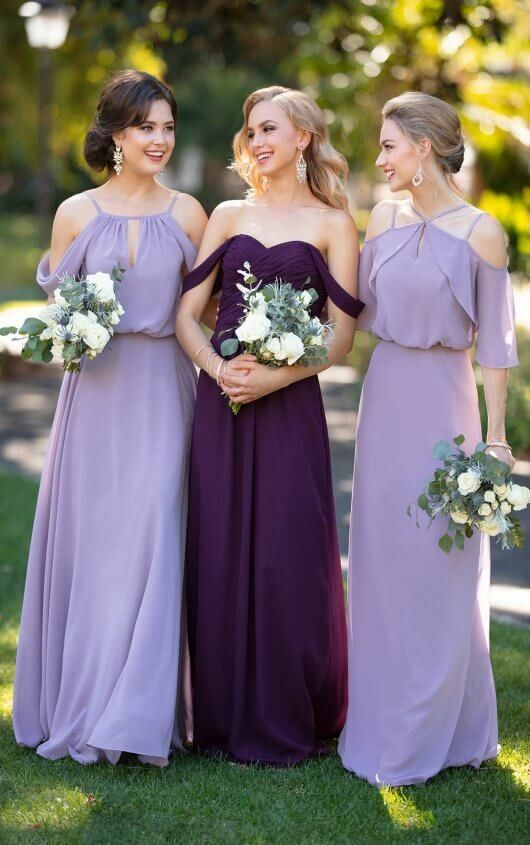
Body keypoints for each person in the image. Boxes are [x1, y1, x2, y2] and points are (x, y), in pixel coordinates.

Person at [13, 69, 208, 765]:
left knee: (156, 527)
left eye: (166, 126)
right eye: (144, 127)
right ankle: (89, 701)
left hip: (163, 388)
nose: (158, 139)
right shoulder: (75, 212)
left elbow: (206, 314)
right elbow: (58, 314)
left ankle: (143, 709)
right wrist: (70, 330)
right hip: (93, 395)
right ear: (114, 136)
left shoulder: (191, 213)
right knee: (95, 545)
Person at [176, 85, 364, 765]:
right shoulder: (228, 213)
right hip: (221, 402)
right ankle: (222, 714)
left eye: (270, 129)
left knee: (285, 553)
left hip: (289, 405)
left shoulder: (335, 225)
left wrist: (273, 379)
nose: (257, 142)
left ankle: (290, 708)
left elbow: (339, 340)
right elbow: (186, 313)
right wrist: (217, 369)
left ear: (304, 137)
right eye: (250, 131)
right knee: (222, 545)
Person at [338, 91, 518, 786]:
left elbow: (497, 348)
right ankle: (379, 718)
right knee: (381, 559)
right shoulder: (382, 216)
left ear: (424, 147)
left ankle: (445, 726)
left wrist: (496, 440)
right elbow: (358, 311)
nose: (379, 158)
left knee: (438, 562)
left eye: (388, 145)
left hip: (446, 406)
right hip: (384, 398)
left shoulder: (483, 233)